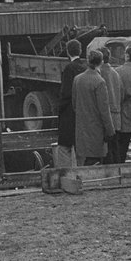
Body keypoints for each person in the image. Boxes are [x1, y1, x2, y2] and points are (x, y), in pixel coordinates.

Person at [72, 50, 115, 165]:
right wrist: (110, 130)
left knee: (83, 160)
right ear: (101, 62)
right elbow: (104, 110)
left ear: (88, 61)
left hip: (81, 127)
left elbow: (74, 104)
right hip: (96, 128)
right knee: (95, 161)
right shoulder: (100, 82)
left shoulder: (77, 79)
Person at [55, 39, 86, 168]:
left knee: (64, 148)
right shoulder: (85, 68)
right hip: (83, 113)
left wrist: (59, 109)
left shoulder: (68, 69)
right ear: (80, 51)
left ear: (68, 52)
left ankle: (66, 176)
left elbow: (66, 93)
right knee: (81, 149)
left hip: (68, 114)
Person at [97, 47, 123, 163]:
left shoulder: (98, 74)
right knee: (115, 149)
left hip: (104, 119)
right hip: (116, 117)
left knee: (105, 153)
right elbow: (121, 95)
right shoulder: (116, 74)